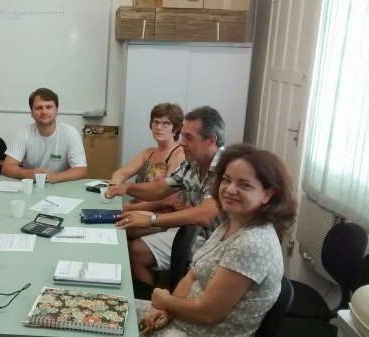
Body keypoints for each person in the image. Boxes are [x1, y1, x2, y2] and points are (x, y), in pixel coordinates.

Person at [136, 144, 297, 337]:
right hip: (180, 321)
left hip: (195, 332)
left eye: (244, 185)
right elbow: (192, 275)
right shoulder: (229, 223)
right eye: (226, 180)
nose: (230, 189)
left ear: (267, 194)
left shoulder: (252, 243)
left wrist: (166, 301)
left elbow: (207, 313)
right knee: (96, 310)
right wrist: (167, 310)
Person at [106, 106, 227, 285]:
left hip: (218, 242)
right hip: (195, 233)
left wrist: (151, 219)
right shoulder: (191, 163)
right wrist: (126, 188)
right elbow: (161, 189)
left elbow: (204, 215)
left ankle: (152, 304)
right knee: (134, 248)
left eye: (189, 137)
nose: (183, 142)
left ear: (211, 140)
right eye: (183, 135)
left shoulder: (225, 168)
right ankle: (151, 302)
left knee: (136, 250)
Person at [109, 103, 186, 239]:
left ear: (176, 129)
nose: (158, 127)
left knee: (118, 227)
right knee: (108, 220)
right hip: (137, 208)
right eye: (155, 122)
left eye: (166, 123)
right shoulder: (148, 152)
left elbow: (168, 199)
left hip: (163, 215)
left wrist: (130, 208)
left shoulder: (178, 155)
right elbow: (122, 172)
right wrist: (116, 182)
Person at [1, 88, 87, 183]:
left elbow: (81, 170)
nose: (44, 112)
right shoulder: (24, 133)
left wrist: (56, 177)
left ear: (57, 111)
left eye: (49, 107)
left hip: (61, 186)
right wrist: (28, 174)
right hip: (33, 186)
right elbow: (7, 167)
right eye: (39, 108)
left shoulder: (70, 133)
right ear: (31, 112)